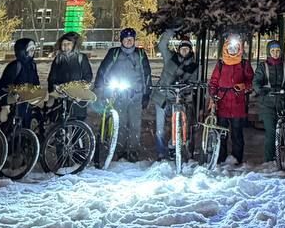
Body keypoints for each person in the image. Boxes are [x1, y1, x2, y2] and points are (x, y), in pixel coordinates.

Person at [95, 28, 153, 161]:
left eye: (131, 39)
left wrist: (146, 94)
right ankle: (119, 149)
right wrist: (99, 86)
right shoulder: (114, 53)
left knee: (134, 124)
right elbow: (104, 70)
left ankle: (133, 150)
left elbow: (146, 74)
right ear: (121, 40)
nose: (128, 41)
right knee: (120, 123)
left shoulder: (140, 54)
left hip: (136, 95)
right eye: (126, 39)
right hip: (119, 95)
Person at [153, 31, 200, 162]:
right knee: (160, 128)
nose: (184, 51)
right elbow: (162, 44)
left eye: (187, 49)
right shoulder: (170, 58)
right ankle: (161, 153)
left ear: (190, 50)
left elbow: (193, 82)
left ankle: (174, 147)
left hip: (179, 98)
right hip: (163, 96)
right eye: (182, 48)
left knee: (179, 123)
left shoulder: (193, 66)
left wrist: (187, 89)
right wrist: (171, 31)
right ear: (178, 49)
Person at [208, 32, 254, 164]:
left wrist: (244, 86)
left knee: (237, 134)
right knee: (221, 133)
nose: (232, 51)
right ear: (226, 48)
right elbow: (213, 82)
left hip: (238, 105)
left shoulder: (244, 64)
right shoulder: (221, 64)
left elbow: (251, 82)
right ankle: (220, 158)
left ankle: (236, 159)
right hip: (222, 103)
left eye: (235, 48)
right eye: (230, 48)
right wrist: (213, 95)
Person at [253, 39, 285, 164]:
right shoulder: (263, 66)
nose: (275, 53)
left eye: (278, 51)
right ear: (269, 52)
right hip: (267, 103)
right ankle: (269, 159)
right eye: (273, 51)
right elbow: (256, 82)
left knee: (284, 131)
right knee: (271, 132)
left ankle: (284, 157)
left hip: (281, 102)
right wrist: (261, 90)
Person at [48, 31, 94, 122]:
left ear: (74, 45)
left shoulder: (81, 58)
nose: (65, 46)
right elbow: (51, 78)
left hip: (77, 97)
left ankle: (77, 136)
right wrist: (54, 88)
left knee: (77, 121)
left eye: (68, 44)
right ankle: (60, 135)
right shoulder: (58, 59)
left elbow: (88, 76)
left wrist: (81, 89)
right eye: (63, 44)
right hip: (62, 96)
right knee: (61, 121)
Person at [0, 37, 41, 127]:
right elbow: (4, 85)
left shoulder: (32, 65)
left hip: (26, 103)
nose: (33, 51)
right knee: (11, 128)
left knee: (25, 125)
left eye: (34, 49)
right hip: (13, 104)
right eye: (30, 49)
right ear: (23, 51)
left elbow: (36, 82)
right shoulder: (15, 66)